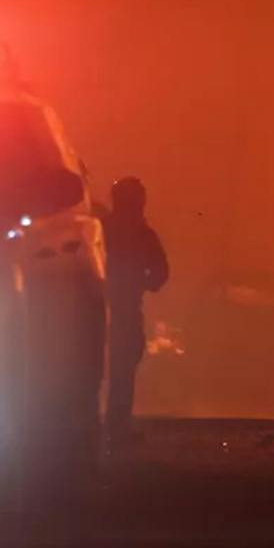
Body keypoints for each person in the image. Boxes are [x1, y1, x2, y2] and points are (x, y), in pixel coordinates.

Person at [102, 176, 169, 445]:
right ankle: (115, 427)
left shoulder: (102, 229)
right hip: (123, 310)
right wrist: (143, 281)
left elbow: (159, 273)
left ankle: (105, 426)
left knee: (112, 368)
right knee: (122, 368)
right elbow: (160, 273)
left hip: (98, 309)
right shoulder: (141, 233)